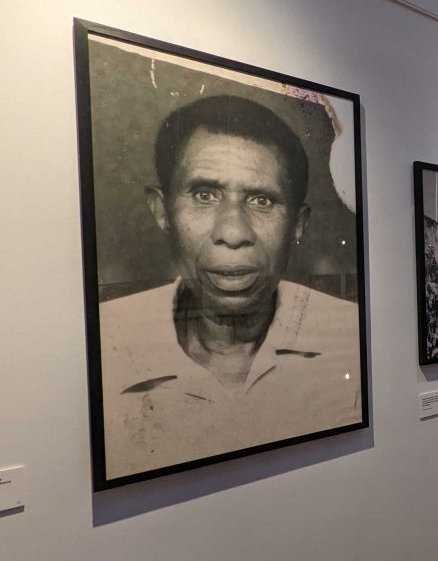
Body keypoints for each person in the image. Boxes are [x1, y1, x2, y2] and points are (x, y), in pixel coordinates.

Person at [99, 95, 361, 480]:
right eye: (205, 195)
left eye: (261, 200)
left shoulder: (353, 335)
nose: (233, 233)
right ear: (161, 211)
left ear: (298, 225)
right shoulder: (105, 339)